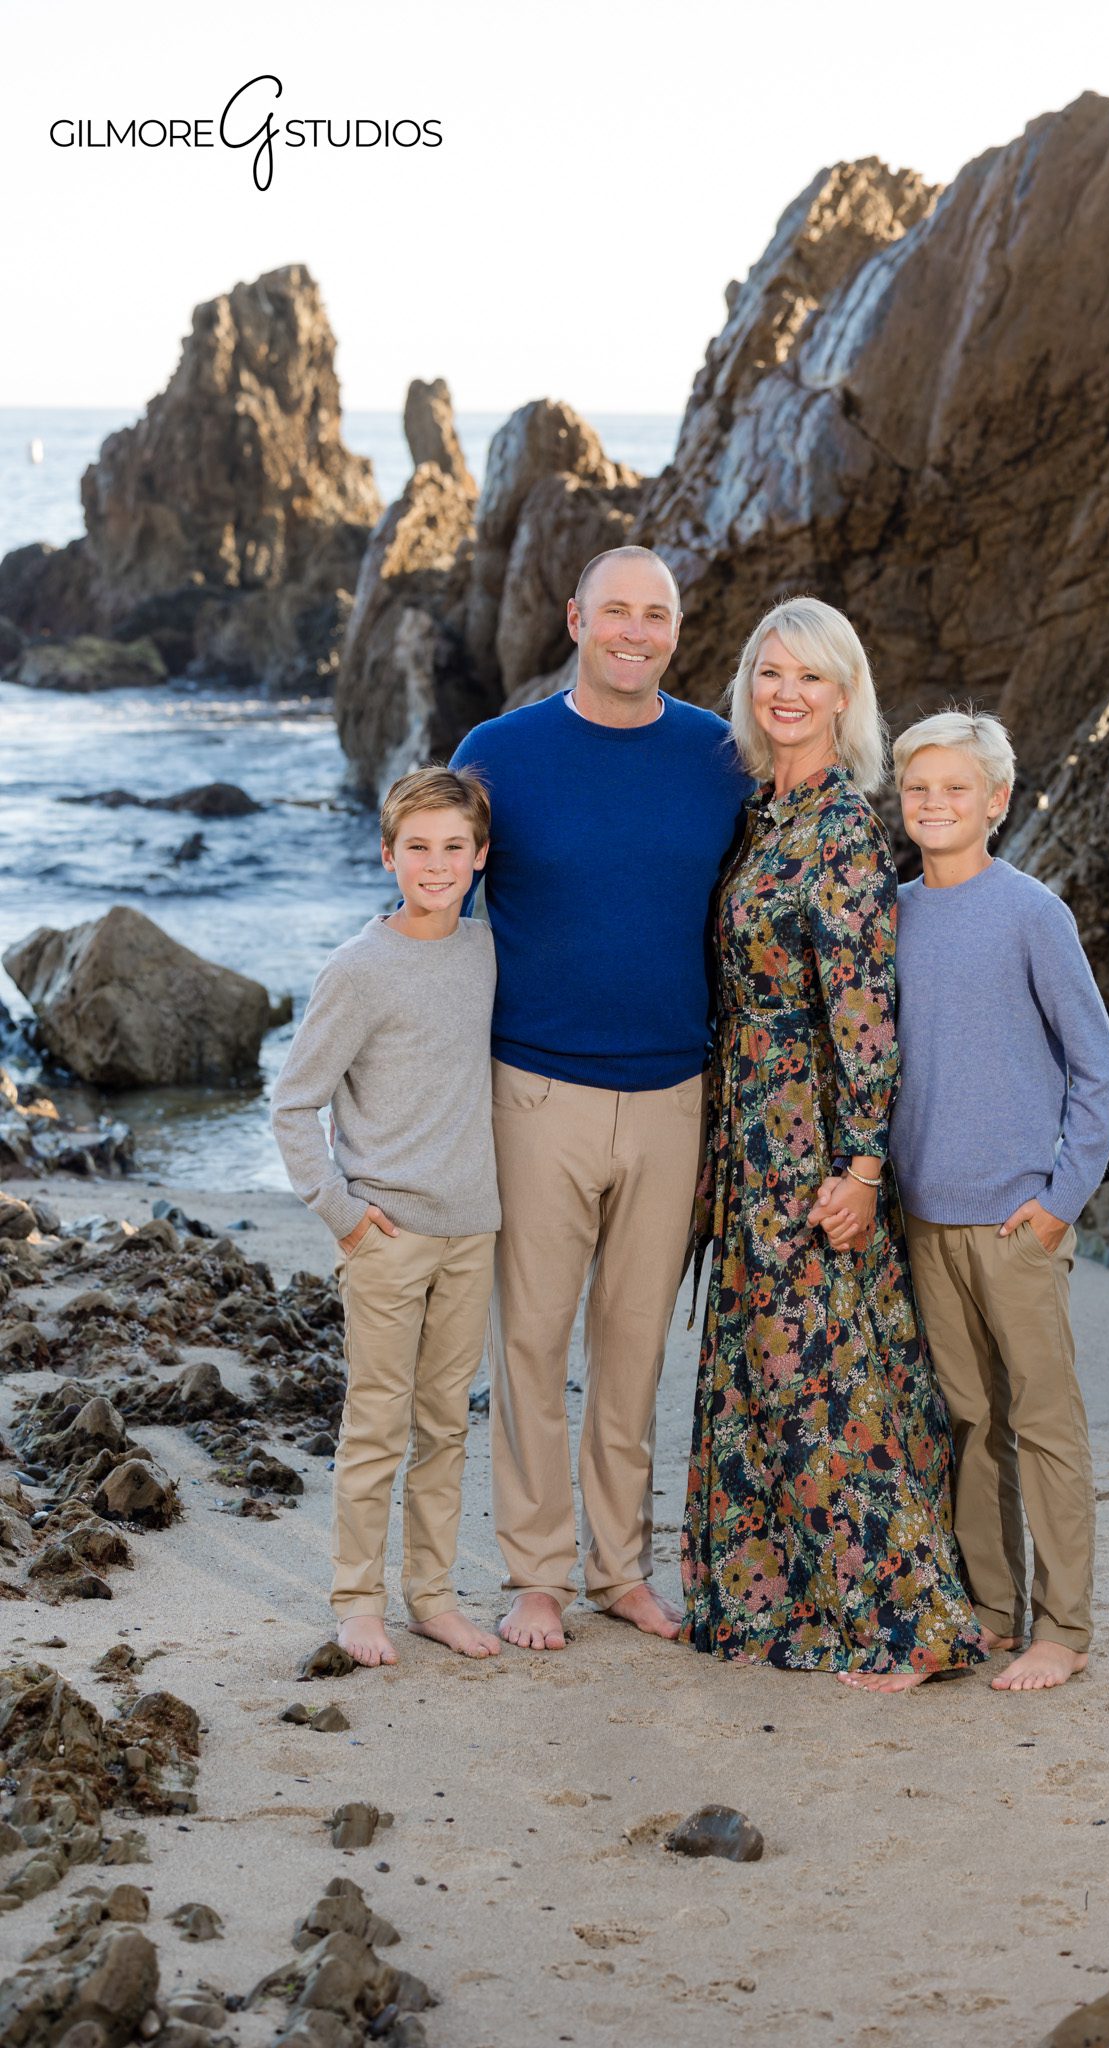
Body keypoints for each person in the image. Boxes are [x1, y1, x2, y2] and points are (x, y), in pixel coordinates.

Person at [680, 597, 984, 1691]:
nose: (787, 692)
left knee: (833, 1380)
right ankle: (775, 1602)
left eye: (810, 675)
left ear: (844, 695)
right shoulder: (764, 809)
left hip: (811, 1139)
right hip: (750, 1133)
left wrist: (858, 1168)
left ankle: (914, 1627)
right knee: (766, 1378)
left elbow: (864, 1011)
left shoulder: (846, 827)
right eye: (771, 671)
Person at [452, 546, 751, 1652]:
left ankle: (620, 1568)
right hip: (534, 1091)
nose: (635, 629)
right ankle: (535, 1572)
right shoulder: (499, 751)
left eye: (656, 613)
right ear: (576, 616)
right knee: (530, 1342)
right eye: (615, 608)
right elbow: (434, 899)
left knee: (633, 1349)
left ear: (677, 628)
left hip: (677, 1094)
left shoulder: (721, 754)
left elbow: (759, 914)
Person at [889, 710, 1109, 1691]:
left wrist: (1064, 1194)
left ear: (997, 800)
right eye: (917, 789)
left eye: (955, 788)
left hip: (1017, 1220)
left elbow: (1096, 1067)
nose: (935, 804)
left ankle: (1062, 1626)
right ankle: (989, 1609)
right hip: (924, 1218)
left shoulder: (1033, 912)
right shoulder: (891, 912)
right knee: (966, 1419)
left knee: (1043, 1420)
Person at [271, 766, 501, 1668]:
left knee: (446, 1425)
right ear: (388, 855)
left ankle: (433, 1596)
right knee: (377, 1424)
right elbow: (294, 1105)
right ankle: (357, 1600)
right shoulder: (358, 969)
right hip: (386, 1238)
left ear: (480, 858)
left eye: (454, 848)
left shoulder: (485, 952)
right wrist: (342, 1214)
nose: (436, 865)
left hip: (471, 1229)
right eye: (418, 849)